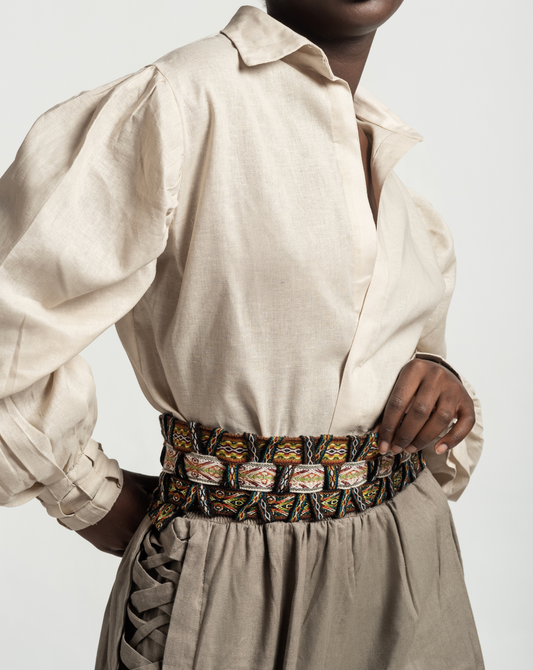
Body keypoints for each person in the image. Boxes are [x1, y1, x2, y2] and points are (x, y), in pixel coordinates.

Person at [0, 2, 485, 668]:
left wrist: (438, 385)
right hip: (229, 577)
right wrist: (85, 495)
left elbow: (402, 362)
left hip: (412, 572)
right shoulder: (179, 103)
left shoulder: (394, 173)